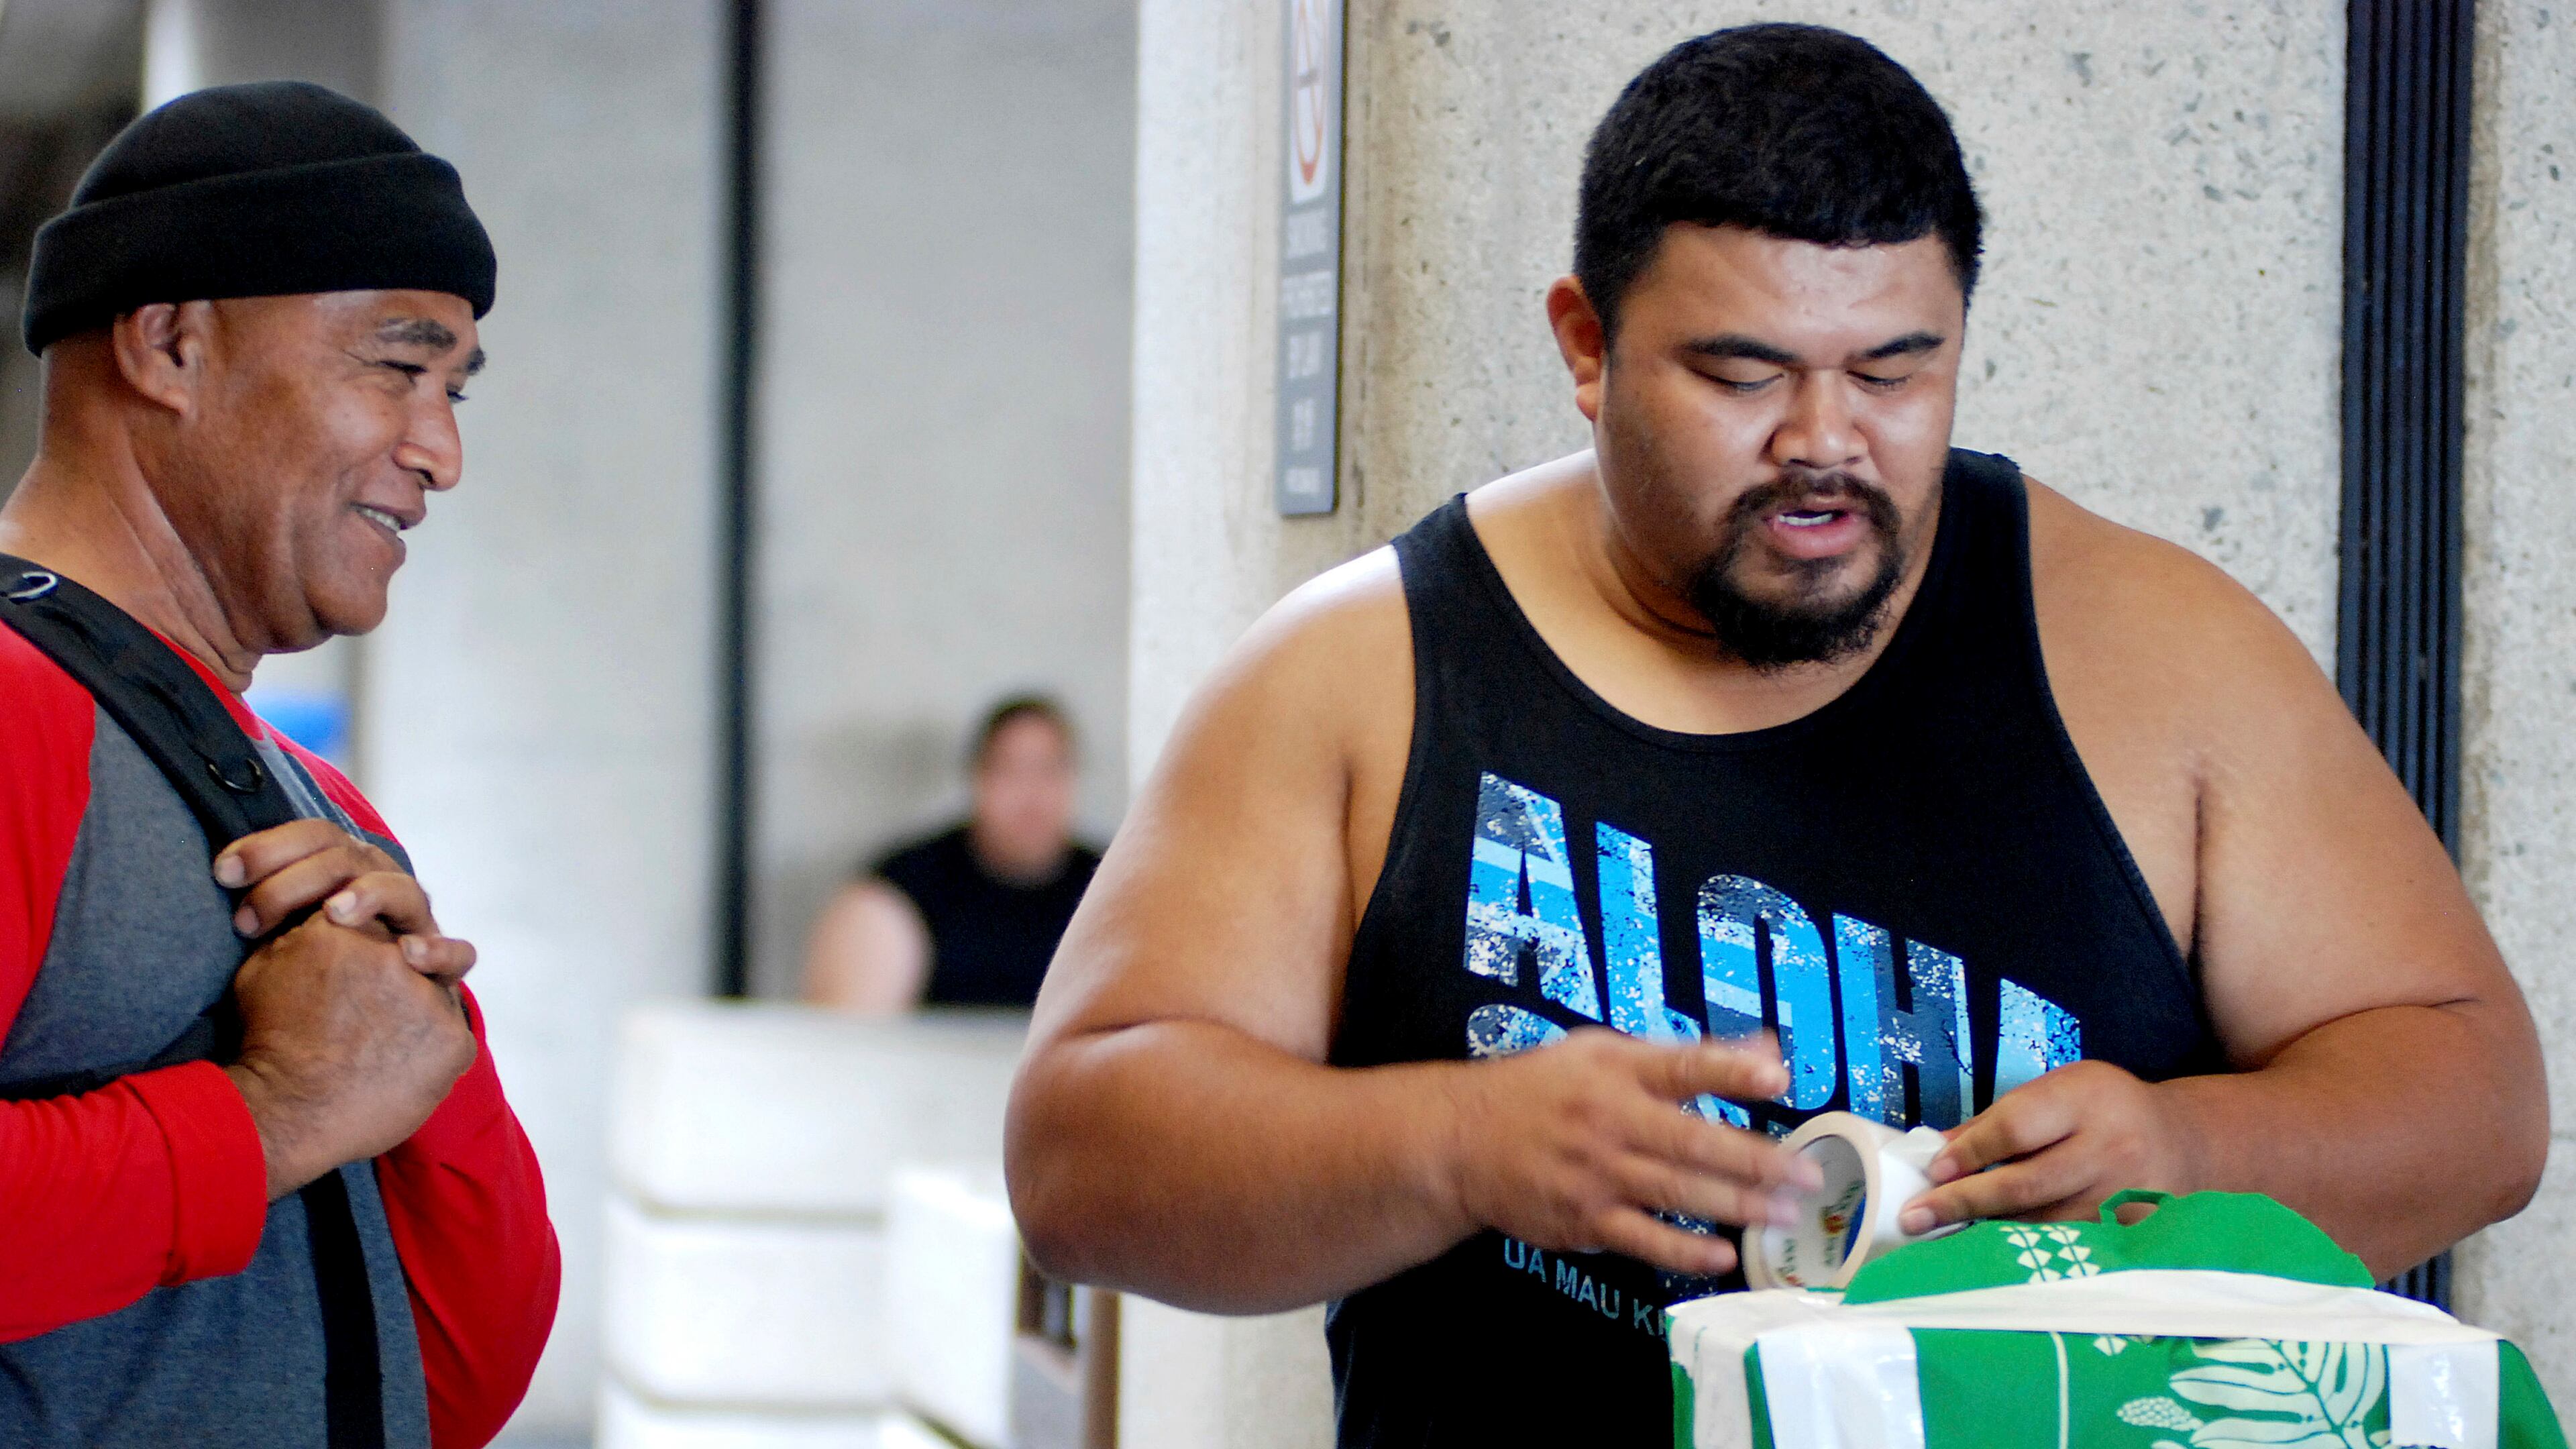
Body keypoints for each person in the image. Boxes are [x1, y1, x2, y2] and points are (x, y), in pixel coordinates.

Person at [1004, 24, 2547, 1446]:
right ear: (1586, 343)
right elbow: (1077, 1165)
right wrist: (1454, 1143)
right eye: (1740, 372)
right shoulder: (1364, 671)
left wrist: (2190, 1149)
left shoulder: (2150, 646)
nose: (1822, 442)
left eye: (1893, 368)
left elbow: (2472, 1096)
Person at [0, 83, 556, 1447]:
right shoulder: (13, 709)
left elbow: (456, 1375)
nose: (443, 449)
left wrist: (425, 1049)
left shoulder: (325, 812)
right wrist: (269, 1114)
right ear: (174, 347)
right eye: (397, 365)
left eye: (455, 389)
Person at [804, 696, 1102, 1011]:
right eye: (1011, 770)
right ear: (978, 778)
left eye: (1050, 770)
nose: (1032, 794)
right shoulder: (903, 891)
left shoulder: (1111, 889)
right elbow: (851, 1040)